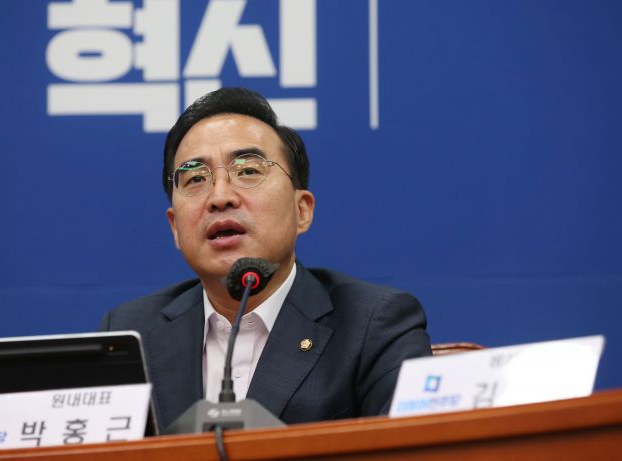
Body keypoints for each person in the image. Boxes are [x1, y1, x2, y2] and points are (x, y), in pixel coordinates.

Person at [99, 87, 431, 431]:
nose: (220, 197)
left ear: (302, 210)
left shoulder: (373, 325)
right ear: (175, 228)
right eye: (196, 178)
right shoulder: (131, 334)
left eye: (248, 171)